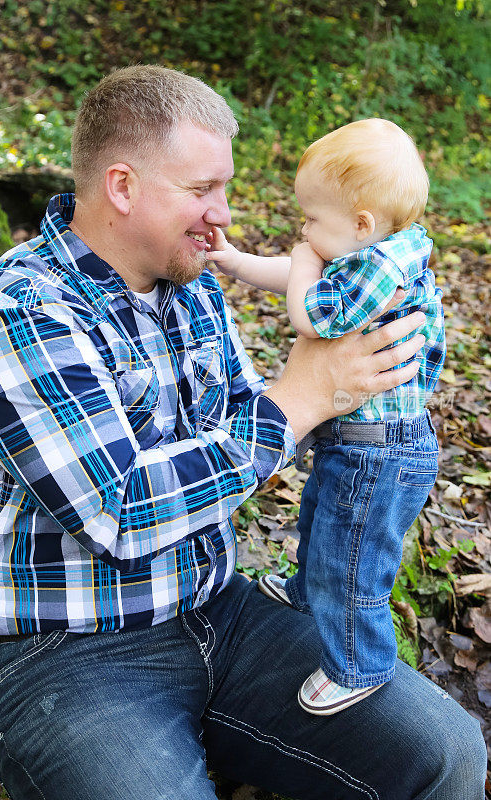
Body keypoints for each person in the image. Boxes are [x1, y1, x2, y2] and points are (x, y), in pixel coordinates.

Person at [0, 66, 484, 800]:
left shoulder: (193, 287)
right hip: (64, 653)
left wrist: (358, 401)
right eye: (203, 189)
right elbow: (120, 510)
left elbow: (248, 430)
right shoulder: (18, 313)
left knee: (446, 753)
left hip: (218, 611)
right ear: (122, 187)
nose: (226, 214)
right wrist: (298, 400)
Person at [208, 118, 446, 715]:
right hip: (358, 443)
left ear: (362, 223)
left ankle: (359, 666)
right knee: (320, 523)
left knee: (354, 560)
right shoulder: (367, 253)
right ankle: (305, 597)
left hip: (381, 450)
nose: (304, 231)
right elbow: (300, 278)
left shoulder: (380, 267)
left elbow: (312, 315)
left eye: (313, 220)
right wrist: (237, 263)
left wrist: (303, 260)